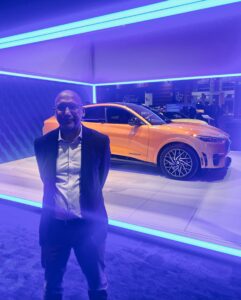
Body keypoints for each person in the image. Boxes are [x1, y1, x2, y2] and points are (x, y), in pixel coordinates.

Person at [34, 90, 110, 300]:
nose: (67, 112)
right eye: (61, 107)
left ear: (82, 111)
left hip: (89, 228)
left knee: (97, 284)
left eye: (72, 107)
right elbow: (46, 180)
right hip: (54, 228)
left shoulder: (99, 142)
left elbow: (98, 181)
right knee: (52, 286)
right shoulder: (42, 144)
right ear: (55, 111)